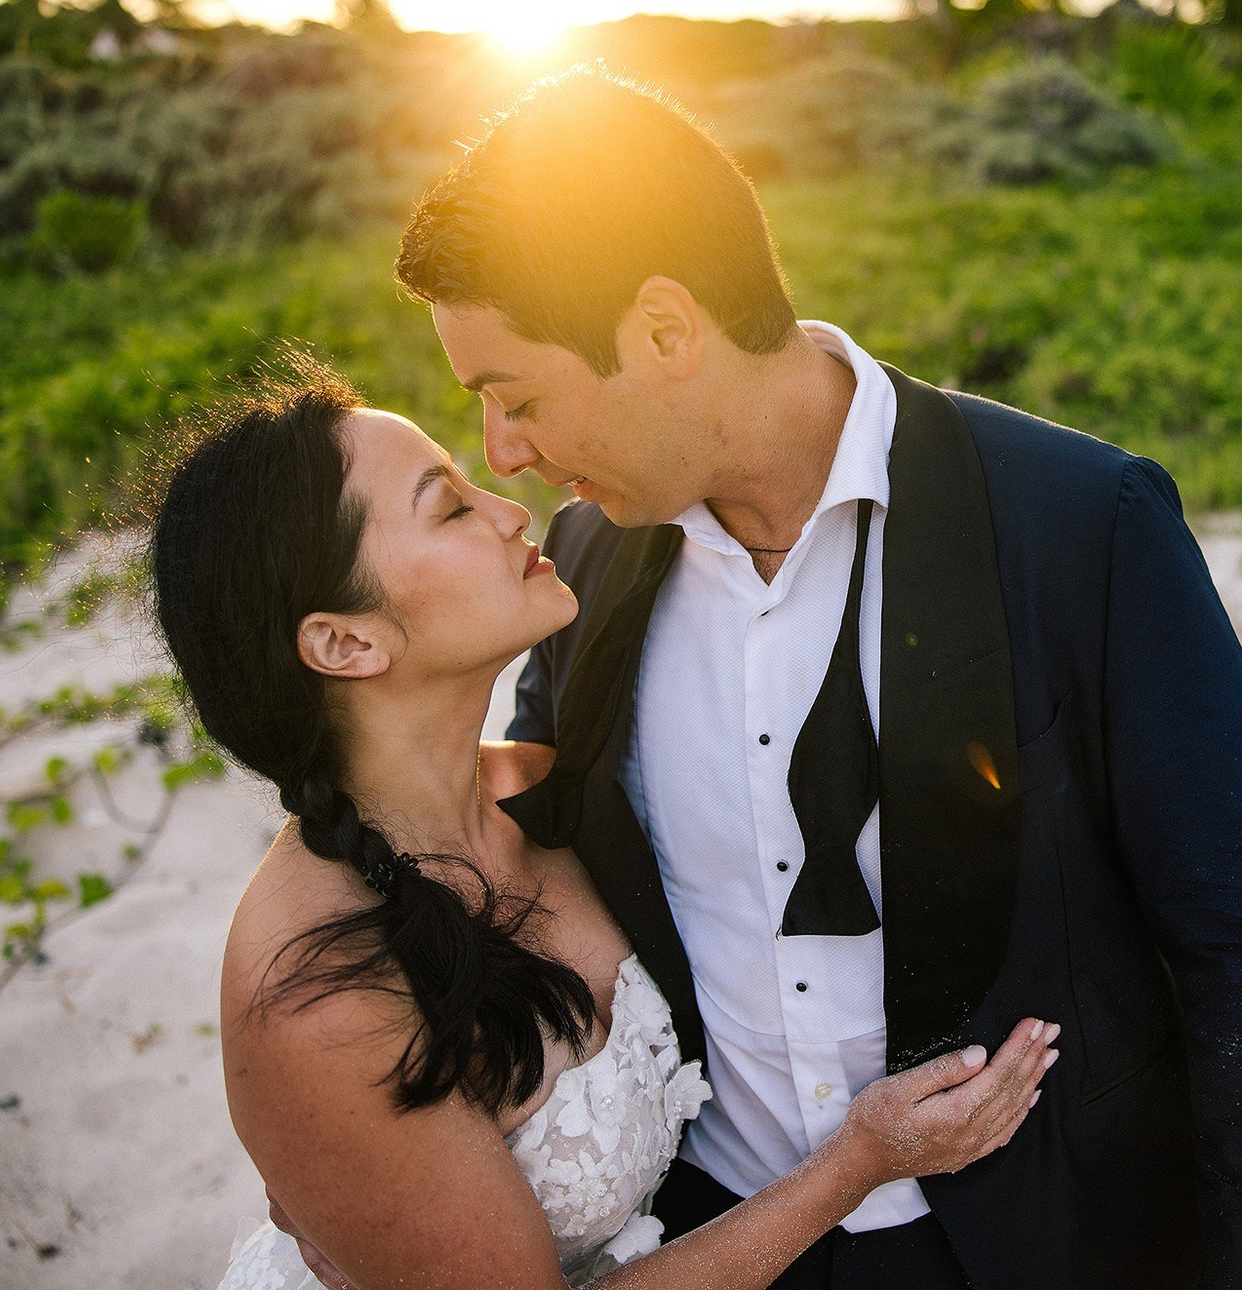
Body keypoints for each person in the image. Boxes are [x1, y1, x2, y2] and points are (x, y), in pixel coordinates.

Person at [345, 63, 1242, 1287]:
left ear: (664, 329)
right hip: (721, 1238)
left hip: (1039, 1241)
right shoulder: (585, 561)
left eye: (517, 396)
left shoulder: (1078, 521)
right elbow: (532, 858)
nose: (504, 451)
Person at [148, 369, 1054, 1289]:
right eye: (451, 510)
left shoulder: (551, 791)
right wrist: (859, 1160)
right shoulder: (314, 999)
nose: (508, 510)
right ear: (345, 643)